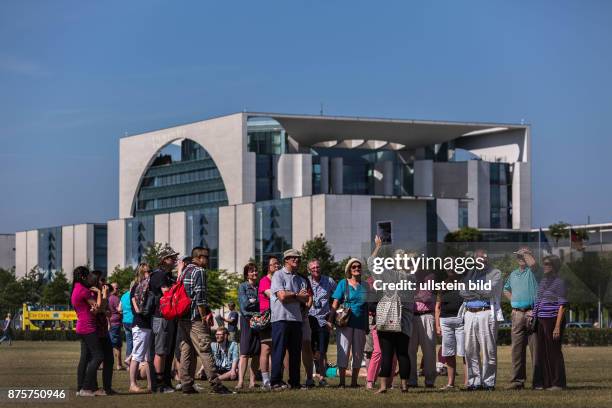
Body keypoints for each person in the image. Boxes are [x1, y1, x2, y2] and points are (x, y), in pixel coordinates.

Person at [179, 246, 232, 394]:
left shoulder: (183, 271)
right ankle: (216, 385)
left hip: (182, 318)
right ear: (199, 257)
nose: (209, 260)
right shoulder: (199, 271)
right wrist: (204, 317)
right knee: (205, 350)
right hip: (195, 317)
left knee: (186, 351)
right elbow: (200, 297)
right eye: (207, 257)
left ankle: (186, 385)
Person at [369, 238, 414, 394]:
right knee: (403, 353)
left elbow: (371, 263)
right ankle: (404, 385)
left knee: (386, 353)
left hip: (388, 316)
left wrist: (378, 247)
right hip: (405, 319)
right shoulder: (411, 278)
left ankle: (382, 386)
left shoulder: (389, 275)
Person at [460, 249, 504, 390]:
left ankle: (488, 383)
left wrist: (471, 289)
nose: (481, 263)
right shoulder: (470, 273)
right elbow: (462, 291)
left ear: (487, 260)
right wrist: (477, 290)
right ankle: (474, 382)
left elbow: (489, 291)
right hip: (469, 313)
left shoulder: (495, 273)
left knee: (488, 350)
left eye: (483, 260)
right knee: (470, 349)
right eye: (478, 260)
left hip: (486, 313)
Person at [270, 249, 310, 390]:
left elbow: (305, 298)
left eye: (298, 258)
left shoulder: (300, 279)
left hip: (296, 319)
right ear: (286, 260)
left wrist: (293, 296)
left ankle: (295, 382)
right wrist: (296, 295)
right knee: (279, 351)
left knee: (295, 353)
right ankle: (275, 381)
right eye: (293, 258)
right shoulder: (278, 275)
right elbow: (281, 296)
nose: (297, 260)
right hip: (280, 319)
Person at [329, 258, 369, 388]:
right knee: (344, 351)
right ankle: (342, 382)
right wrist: (330, 320)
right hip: (345, 323)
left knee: (358, 353)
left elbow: (367, 307)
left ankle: (353, 382)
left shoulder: (366, 285)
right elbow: (335, 303)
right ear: (349, 270)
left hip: (360, 323)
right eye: (354, 267)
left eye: (358, 266)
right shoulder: (343, 283)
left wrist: (367, 326)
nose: (357, 268)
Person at [503, 247, 539, 390]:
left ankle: (538, 381)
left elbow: (534, 265)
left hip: (532, 313)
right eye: (517, 255)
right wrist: (514, 301)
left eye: (522, 255)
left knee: (536, 349)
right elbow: (506, 289)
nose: (519, 257)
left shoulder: (534, 272)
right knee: (517, 350)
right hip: (517, 314)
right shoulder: (513, 274)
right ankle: (517, 381)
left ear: (530, 256)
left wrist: (526, 253)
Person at [532, 255, 568, 391]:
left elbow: (562, 305)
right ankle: (546, 383)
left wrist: (557, 326)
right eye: (544, 263)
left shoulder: (560, 282)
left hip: (552, 319)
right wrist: (534, 316)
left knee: (554, 352)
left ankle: (558, 383)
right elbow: (538, 300)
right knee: (541, 352)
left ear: (554, 266)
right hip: (541, 320)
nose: (545, 266)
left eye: (547, 264)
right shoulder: (543, 281)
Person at [149, 245, 179, 393]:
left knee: (168, 351)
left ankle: (166, 382)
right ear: (164, 259)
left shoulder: (167, 275)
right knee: (160, 350)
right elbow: (167, 293)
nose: (175, 260)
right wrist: (179, 277)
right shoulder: (159, 275)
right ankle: (159, 384)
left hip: (168, 316)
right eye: (172, 257)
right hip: (160, 317)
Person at [72, 266, 103, 397]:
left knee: (85, 358)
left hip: (81, 325)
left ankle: (80, 388)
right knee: (98, 356)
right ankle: (85, 387)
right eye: (89, 276)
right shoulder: (84, 291)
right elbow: (96, 308)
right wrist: (100, 293)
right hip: (88, 326)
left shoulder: (75, 289)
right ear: (84, 277)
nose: (91, 278)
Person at [435, 268, 468, 390]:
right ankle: (450, 383)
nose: (451, 269)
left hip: (461, 321)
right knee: (449, 353)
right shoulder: (442, 285)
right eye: (448, 267)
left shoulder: (464, 283)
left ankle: (467, 383)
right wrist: (437, 325)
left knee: (465, 353)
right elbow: (437, 306)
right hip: (445, 321)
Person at [308, 258, 337, 387]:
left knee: (322, 351)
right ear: (309, 270)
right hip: (309, 320)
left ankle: (322, 378)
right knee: (310, 351)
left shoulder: (329, 281)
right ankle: (309, 377)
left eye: (317, 267)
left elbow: (337, 297)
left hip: (324, 321)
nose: (316, 269)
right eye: (313, 268)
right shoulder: (306, 281)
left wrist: (331, 318)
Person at [408, 262, 437, 388]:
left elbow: (426, 296)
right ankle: (411, 380)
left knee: (429, 350)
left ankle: (430, 381)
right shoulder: (409, 278)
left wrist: (411, 296)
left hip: (426, 315)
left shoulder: (430, 277)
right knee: (410, 350)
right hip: (411, 316)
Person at [129, 263, 155, 393]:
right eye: (147, 272)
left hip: (147, 325)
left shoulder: (148, 287)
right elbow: (136, 308)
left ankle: (151, 385)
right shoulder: (136, 287)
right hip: (140, 324)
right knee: (137, 355)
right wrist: (140, 309)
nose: (149, 274)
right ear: (141, 273)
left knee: (149, 357)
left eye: (150, 271)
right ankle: (133, 384)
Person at [236, 262, 261, 389]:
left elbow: (263, 305)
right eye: (251, 271)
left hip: (259, 321)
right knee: (244, 353)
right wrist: (256, 301)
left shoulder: (260, 286)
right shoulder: (243, 287)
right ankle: (240, 382)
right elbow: (244, 305)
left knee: (256, 353)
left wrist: (253, 301)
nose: (254, 273)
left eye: (256, 270)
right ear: (247, 274)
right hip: (247, 320)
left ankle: (252, 381)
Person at [91, 272, 115, 395]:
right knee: (96, 359)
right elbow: (99, 308)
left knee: (109, 360)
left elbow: (108, 312)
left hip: (104, 331)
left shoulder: (101, 293)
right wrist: (104, 296)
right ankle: (93, 387)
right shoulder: (92, 293)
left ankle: (107, 387)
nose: (104, 283)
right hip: (94, 331)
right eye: (102, 280)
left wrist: (105, 310)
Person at [258, 255, 279, 390]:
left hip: (278, 317)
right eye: (274, 264)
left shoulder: (279, 279)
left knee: (276, 349)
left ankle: (274, 379)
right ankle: (265, 381)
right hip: (267, 317)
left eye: (278, 264)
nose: (277, 266)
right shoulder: (264, 281)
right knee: (266, 349)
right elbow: (273, 295)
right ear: (268, 267)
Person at [107, 282, 125, 371]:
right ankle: (119, 364)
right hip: (115, 324)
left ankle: (104, 364)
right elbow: (120, 310)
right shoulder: (115, 299)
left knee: (109, 345)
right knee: (117, 345)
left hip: (109, 323)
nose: (117, 290)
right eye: (116, 288)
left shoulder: (107, 298)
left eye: (118, 288)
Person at [119, 284, 134, 366]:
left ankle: (129, 365)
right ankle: (132, 362)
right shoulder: (135, 295)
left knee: (129, 342)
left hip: (125, 321)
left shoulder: (124, 295)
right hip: (133, 321)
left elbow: (119, 309)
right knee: (136, 343)